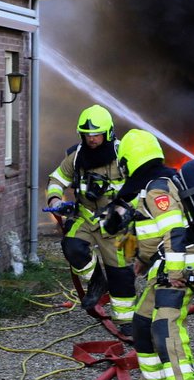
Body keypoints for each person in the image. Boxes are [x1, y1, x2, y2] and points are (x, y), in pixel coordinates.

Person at [108, 130, 194, 380]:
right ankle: (154, 377)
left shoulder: (158, 189)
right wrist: (141, 259)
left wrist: (176, 273)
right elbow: (150, 234)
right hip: (165, 266)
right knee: (142, 321)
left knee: (165, 325)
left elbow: (174, 231)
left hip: (181, 266)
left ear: (130, 161)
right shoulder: (149, 188)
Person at [43, 105, 137, 332]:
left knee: (121, 274)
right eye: (87, 134)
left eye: (96, 134)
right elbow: (57, 179)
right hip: (86, 218)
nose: (91, 139)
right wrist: (55, 201)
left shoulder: (123, 155)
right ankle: (97, 282)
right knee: (72, 247)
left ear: (108, 133)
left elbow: (141, 186)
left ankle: (126, 321)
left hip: (117, 224)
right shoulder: (76, 157)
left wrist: (126, 210)